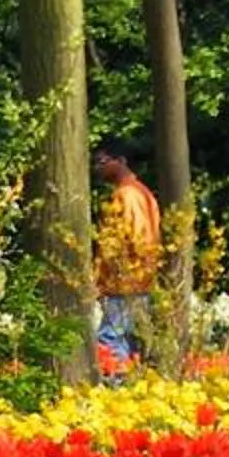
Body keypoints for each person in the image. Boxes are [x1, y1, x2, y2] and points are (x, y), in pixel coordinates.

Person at [91, 136, 163, 369]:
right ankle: (128, 390)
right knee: (127, 343)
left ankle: (115, 390)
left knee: (110, 340)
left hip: (125, 285)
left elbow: (140, 240)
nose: (97, 168)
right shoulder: (138, 192)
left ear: (121, 161)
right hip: (131, 284)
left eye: (102, 161)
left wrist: (111, 273)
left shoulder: (128, 195)